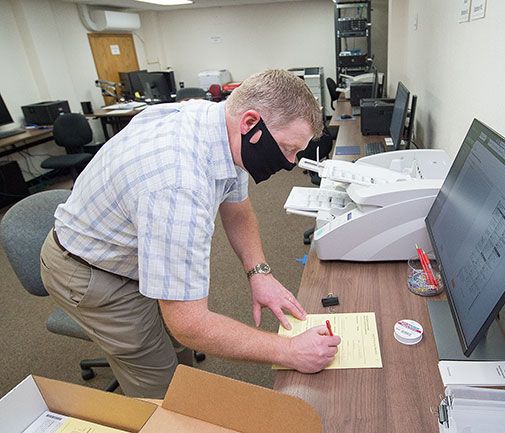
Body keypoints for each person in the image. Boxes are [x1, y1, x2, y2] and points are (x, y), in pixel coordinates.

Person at [40, 69, 341, 398]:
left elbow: (237, 207)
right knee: (161, 387)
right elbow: (190, 324)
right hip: (92, 271)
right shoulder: (179, 184)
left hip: (135, 249)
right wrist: (290, 352)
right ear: (251, 123)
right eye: (286, 149)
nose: (290, 162)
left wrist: (260, 273)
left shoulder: (220, 125)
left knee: (180, 358)